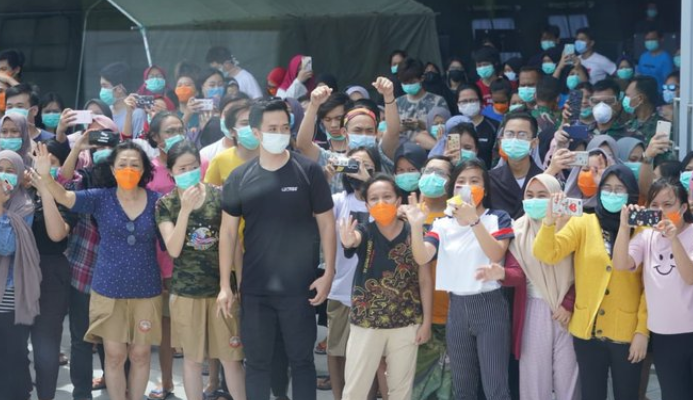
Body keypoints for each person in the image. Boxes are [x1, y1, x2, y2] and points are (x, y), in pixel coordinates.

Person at [217, 99, 336, 400]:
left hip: (300, 287)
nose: (280, 133)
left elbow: (326, 225)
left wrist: (329, 273)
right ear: (256, 132)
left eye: (284, 127)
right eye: (272, 128)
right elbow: (228, 234)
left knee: (302, 361)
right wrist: (224, 286)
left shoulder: (308, 172)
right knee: (257, 364)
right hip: (256, 289)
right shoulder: (239, 178)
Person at [38, 140, 163, 400]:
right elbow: (65, 196)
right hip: (108, 289)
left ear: (144, 170)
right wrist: (44, 177)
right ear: (113, 169)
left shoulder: (157, 201)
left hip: (147, 290)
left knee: (140, 355)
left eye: (134, 165)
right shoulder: (100, 198)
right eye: (123, 164)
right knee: (115, 356)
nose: (128, 169)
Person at [533, 164, 648, 400]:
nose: (612, 194)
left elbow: (649, 288)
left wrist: (642, 331)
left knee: (627, 394)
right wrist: (548, 222)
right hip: (588, 330)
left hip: (626, 332)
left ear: (631, 194)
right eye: (607, 188)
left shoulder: (642, 230)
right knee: (591, 394)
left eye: (619, 189)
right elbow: (547, 254)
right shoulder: (583, 223)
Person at [410, 158, 515, 400]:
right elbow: (422, 256)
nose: (467, 186)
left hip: (489, 305)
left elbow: (496, 253)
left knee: (495, 384)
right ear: (452, 189)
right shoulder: (442, 224)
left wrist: (474, 222)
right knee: (462, 384)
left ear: (485, 189)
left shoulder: (497, 217)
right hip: (456, 307)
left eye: (474, 181)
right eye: (461, 182)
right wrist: (416, 227)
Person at [155, 140, 246, 400]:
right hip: (186, 292)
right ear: (170, 171)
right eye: (182, 168)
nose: (189, 172)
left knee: (232, 358)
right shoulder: (166, 204)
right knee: (193, 360)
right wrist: (184, 210)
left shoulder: (220, 195)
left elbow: (235, 243)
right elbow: (172, 249)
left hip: (222, 291)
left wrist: (239, 284)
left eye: (194, 166)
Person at [339, 175, 432, 400]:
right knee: (355, 388)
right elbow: (354, 240)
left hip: (406, 322)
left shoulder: (415, 231)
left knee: (400, 391)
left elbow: (425, 280)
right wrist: (348, 240)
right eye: (374, 198)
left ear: (398, 200)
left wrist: (426, 322)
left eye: (387, 196)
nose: (381, 202)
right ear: (367, 205)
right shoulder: (365, 230)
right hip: (367, 322)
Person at [613, 179, 693, 400]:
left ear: (683, 207)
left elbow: (689, 276)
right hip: (664, 335)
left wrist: (674, 239)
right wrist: (624, 227)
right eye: (655, 205)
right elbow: (621, 264)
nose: (661, 211)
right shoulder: (646, 236)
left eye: (668, 204)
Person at [506, 174, 579, 400]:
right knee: (534, 378)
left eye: (542, 195)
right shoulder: (517, 230)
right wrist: (500, 274)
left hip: (567, 311)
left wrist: (568, 303)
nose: (534, 200)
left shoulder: (572, 227)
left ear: (556, 197)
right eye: (530, 195)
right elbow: (515, 273)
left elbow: (582, 271)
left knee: (569, 377)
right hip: (533, 309)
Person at [324, 146, 382, 399]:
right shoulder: (338, 201)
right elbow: (314, 213)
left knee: (369, 358)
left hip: (376, 292)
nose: (358, 169)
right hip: (341, 288)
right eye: (353, 163)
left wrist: (370, 181)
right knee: (337, 351)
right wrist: (324, 179)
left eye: (366, 164)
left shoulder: (384, 202)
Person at [27, 140, 75, 400]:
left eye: (50, 163)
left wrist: (46, 187)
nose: (42, 167)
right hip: (15, 273)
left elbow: (57, 235)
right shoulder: (15, 190)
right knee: (12, 345)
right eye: (37, 161)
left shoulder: (68, 195)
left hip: (51, 273)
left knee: (46, 347)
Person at [296, 79, 400, 191]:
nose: (364, 135)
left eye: (369, 131)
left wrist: (389, 96)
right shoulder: (334, 162)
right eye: (358, 130)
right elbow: (303, 145)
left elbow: (393, 133)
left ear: (376, 133)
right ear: (344, 132)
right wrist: (313, 105)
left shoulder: (382, 157)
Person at [412, 156, 455, 400]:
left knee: (452, 388)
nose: (432, 177)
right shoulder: (407, 214)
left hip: (453, 314)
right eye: (428, 170)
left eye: (441, 173)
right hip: (416, 317)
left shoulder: (459, 216)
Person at [0, 150, 41, 400]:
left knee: (13, 353)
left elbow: (6, 246)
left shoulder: (24, 205)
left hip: (11, 293)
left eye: (10, 170)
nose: (4, 175)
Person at [490, 112, 544, 219]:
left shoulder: (544, 179)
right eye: (509, 134)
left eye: (522, 135)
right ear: (501, 141)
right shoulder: (490, 179)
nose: (514, 140)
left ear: (534, 142)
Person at [623, 76, 673, 164]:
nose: (625, 99)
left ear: (640, 99)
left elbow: (664, 163)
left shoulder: (663, 129)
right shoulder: (627, 125)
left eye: (627, 96)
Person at [396, 58, 447, 140]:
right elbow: (390, 131)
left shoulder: (438, 101)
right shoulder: (396, 103)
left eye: (412, 82)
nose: (408, 85)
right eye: (405, 82)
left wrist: (421, 124)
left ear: (422, 78)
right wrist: (403, 127)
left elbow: (445, 131)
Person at [455, 84, 499, 167]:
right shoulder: (453, 127)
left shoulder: (494, 126)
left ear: (480, 102)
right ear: (458, 104)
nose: (469, 104)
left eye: (472, 100)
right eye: (464, 101)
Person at [99, 62, 147, 138]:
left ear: (119, 89)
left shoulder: (137, 114)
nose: (102, 90)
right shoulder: (105, 111)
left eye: (105, 86)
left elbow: (139, 145)